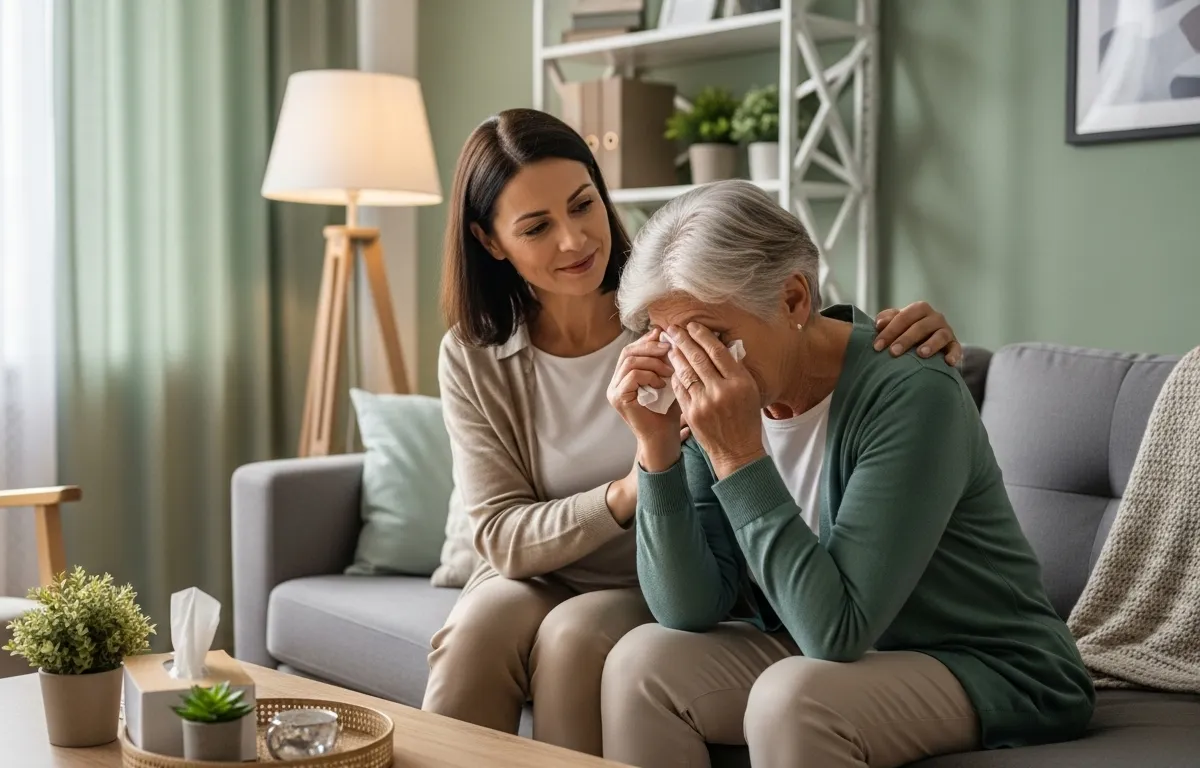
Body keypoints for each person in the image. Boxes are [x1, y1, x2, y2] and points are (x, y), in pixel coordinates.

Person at [424, 108, 966, 757]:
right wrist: (631, 488)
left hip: (656, 570)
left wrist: (899, 331)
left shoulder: (673, 306)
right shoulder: (478, 354)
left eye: (583, 205)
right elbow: (498, 535)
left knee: (575, 636)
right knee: (478, 628)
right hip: (542, 570)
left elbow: (788, 326)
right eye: (537, 226)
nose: (574, 242)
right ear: (491, 242)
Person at [602, 179, 1095, 768]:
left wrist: (738, 458)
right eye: (676, 340)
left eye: (716, 336)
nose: (694, 366)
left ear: (792, 300)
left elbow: (835, 632)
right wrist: (655, 449)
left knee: (792, 700)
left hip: (990, 665)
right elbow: (686, 608)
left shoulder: (913, 393)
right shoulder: (723, 397)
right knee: (641, 663)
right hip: (836, 650)